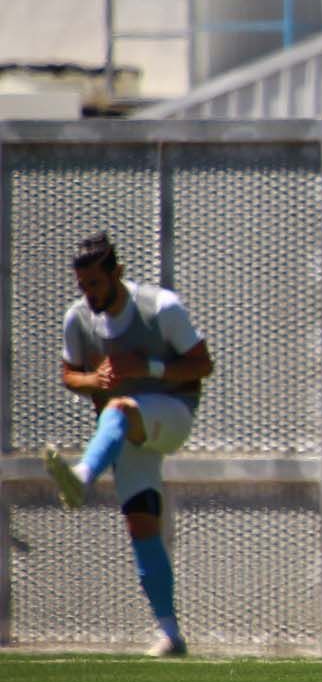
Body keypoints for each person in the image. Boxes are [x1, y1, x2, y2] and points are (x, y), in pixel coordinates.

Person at [42, 232, 215, 658]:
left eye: (96, 285)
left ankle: (82, 476)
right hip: (123, 433)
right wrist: (92, 380)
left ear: (117, 272)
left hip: (172, 413)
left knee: (117, 409)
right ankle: (171, 633)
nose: (89, 295)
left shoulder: (161, 308)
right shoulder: (78, 318)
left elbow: (202, 364)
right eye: (82, 287)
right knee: (141, 523)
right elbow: (69, 375)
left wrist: (149, 366)